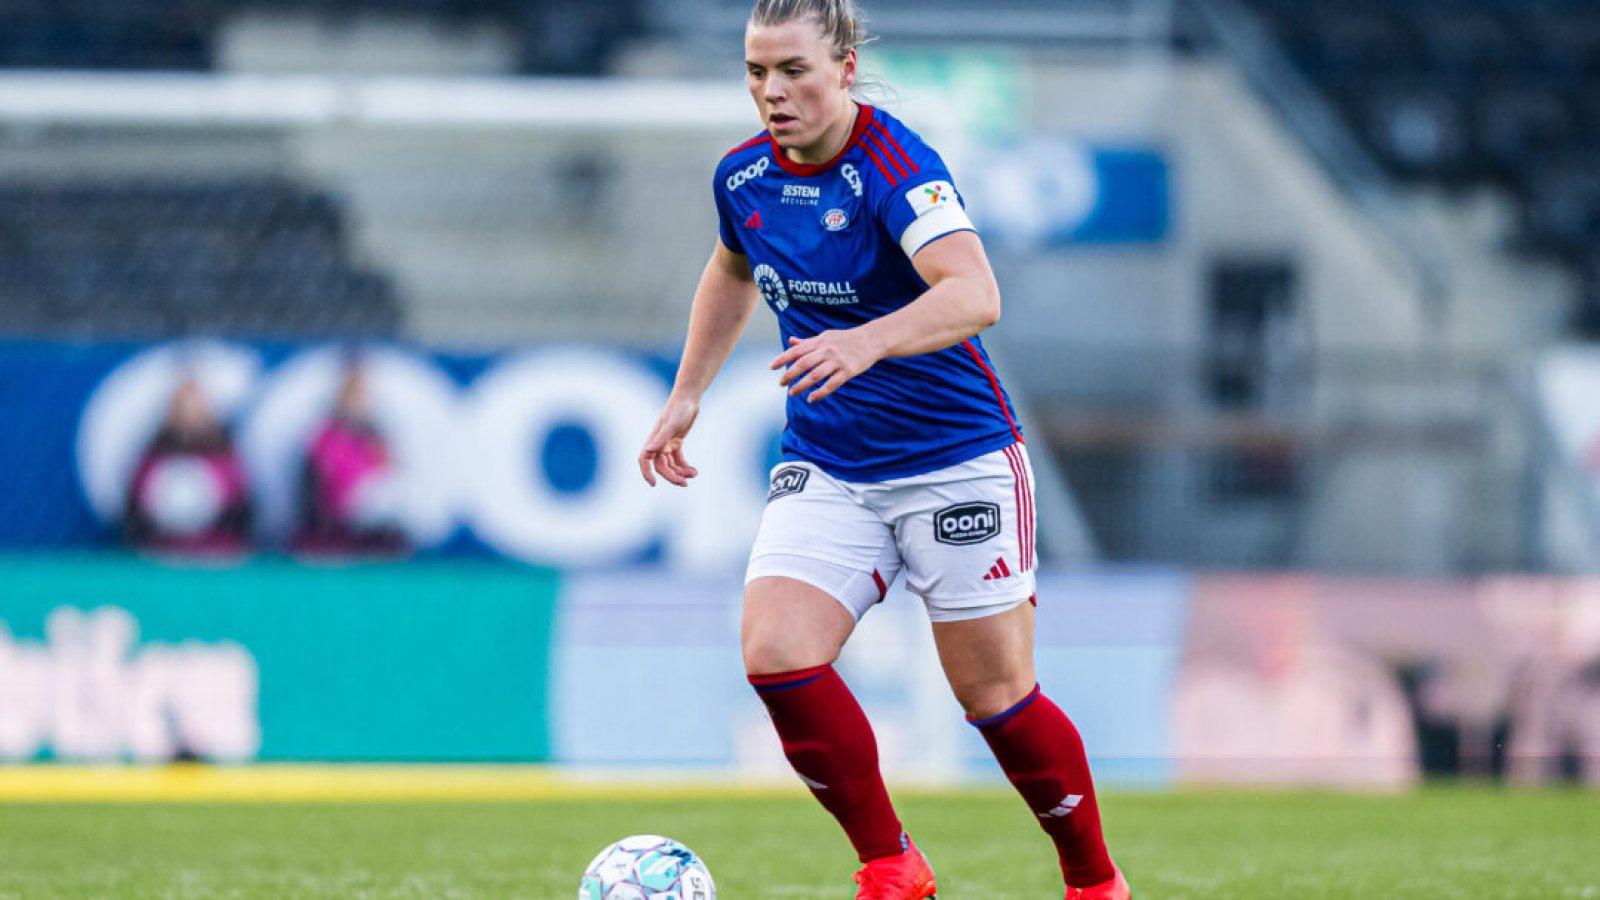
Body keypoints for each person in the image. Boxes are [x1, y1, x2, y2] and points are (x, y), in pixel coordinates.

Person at [637, 2, 1130, 897]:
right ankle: (893, 863)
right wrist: (687, 393)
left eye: (792, 70)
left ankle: (1095, 882)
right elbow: (730, 268)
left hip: (954, 458)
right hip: (831, 462)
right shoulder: (742, 176)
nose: (771, 93)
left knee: (998, 703)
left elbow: (975, 292)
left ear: (846, 65)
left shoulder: (895, 166)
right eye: (756, 72)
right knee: (777, 652)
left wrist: (865, 340)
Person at [123, 374, 252, 556]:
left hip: (217, 554)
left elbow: (242, 511)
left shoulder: (224, 457)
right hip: (160, 555)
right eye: (184, 408)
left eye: (196, 409)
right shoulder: (155, 456)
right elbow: (134, 513)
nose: (190, 416)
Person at [292, 357, 408, 557]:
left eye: (363, 394)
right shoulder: (325, 438)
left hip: (372, 525)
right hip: (334, 525)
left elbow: (389, 477)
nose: (359, 401)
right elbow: (312, 488)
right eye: (353, 394)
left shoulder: (376, 438)